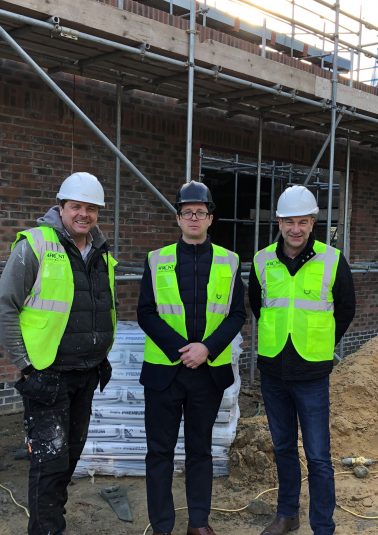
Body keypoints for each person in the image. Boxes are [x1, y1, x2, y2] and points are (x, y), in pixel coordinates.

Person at [0, 172, 117, 535]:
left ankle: (52, 526)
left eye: (91, 208)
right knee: (49, 462)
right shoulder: (36, 245)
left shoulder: (101, 253)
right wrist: (26, 366)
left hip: (87, 372)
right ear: (60, 207)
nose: (84, 214)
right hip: (47, 375)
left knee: (69, 458)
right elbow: (3, 310)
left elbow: (102, 309)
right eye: (76, 206)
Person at [137, 181, 246, 535]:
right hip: (164, 374)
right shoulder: (157, 259)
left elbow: (236, 315)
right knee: (159, 453)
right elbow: (146, 312)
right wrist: (183, 349)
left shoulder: (230, 262)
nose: (194, 218)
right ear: (178, 218)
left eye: (201, 212)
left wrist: (207, 348)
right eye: (187, 212)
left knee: (200, 452)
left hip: (207, 374)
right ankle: (162, 526)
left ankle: (199, 523)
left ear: (210, 218)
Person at [249, 186, 356, 535]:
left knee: (318, 456)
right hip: (273, 371)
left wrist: (321, 341)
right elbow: (257, 306)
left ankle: (323, 526)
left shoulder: (332, 259)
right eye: (289, 222)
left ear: (313, 223)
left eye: (303, 222)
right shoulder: (262, 260)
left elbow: (345, 309)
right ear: (279, 223)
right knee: (282, 449)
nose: (296, 228)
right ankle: (287, 515)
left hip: (312, 372)